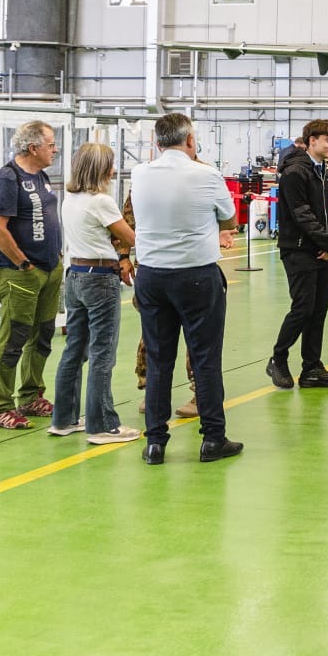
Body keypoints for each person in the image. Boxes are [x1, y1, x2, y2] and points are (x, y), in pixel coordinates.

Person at [130, 113, 241, 464]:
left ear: (157, 142)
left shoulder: (139, 174)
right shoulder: (207, 175)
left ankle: (155, 443)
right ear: (190, 141)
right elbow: (229, 217)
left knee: (159, 359)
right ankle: (213, 439)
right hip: (196, 275)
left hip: (151, 275)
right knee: (205, 358)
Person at [49, 142, 140, 443]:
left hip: (75, 274)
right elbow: (130, 237)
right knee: (103, 351)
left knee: (74, 349)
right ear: (101, 169)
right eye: (110, 165)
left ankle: (64, 418)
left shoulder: (71, 199)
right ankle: (102, 425)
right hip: (100, 278)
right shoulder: (101, 201)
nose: (113, 170)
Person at [0, 120, 64, 430]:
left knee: (41, 335)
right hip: (21, 274)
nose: (55, 150)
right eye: (51, 144)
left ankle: (31, 395)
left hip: (49, 270)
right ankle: (1, 406)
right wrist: (23, 264)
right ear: (33, 148)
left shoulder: (41, 175)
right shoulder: (7, 178)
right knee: (13, 339)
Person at [269, 119, 328, 391]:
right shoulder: (295, 172)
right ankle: (278, 358)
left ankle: (312, 367)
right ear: (312, 141)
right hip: (298, 250)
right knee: (303, 308)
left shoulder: (323, 172)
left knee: (318, 311)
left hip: (322, 251)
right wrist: (327, 241)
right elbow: (301, 214)